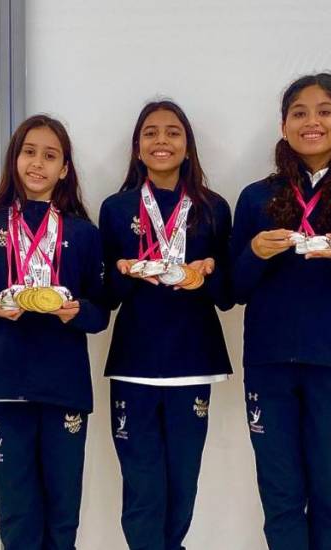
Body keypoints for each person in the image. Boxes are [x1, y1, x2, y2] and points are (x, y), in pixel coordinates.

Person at [230, 73, 331, 550]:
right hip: (269, 362)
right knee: (280, 496)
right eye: (299, 112)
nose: (312, 121)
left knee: (329, 495)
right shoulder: (256, 198)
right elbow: (234, 290)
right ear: (283, 126)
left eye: (325, 111)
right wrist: (255, 254)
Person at [0, 114, 108, 550]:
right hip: (4, 384)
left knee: (63, 514)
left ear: (64, 169)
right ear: (14, 160)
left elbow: (101, 313)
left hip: (64, 387)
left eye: (50, 155)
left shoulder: (83, 233)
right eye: (29, 152)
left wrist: (75, 312)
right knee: (17, 515)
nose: (37, 163)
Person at [99, 100, 233, 550]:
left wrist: (211, 272)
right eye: (151, 133)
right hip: (135, 359)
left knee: (182, 481)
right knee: (141, 482)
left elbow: (228, 296)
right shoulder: (116, 209)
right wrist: (120, 270)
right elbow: (107, 299)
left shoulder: (213, 208)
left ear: (188, 146)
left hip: (193, 357)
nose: (162, 141)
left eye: (173, 132)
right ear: (138, 149)